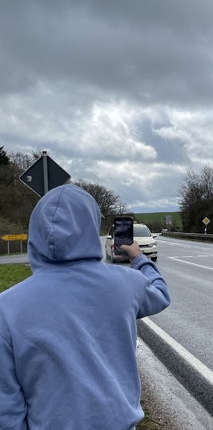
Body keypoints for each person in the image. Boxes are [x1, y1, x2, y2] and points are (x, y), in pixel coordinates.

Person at [0, 184, 170, 429]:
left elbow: (6, 406)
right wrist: (138, 257)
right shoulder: (126, 284)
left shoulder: (7, 307)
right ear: (90, 227)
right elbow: (160, 294)